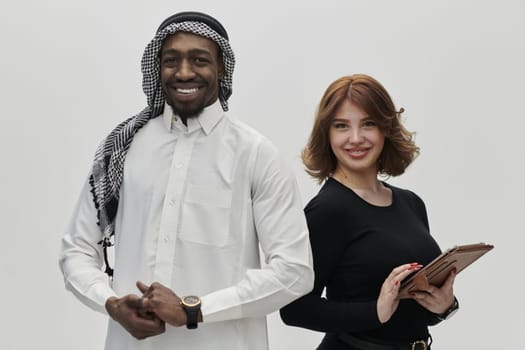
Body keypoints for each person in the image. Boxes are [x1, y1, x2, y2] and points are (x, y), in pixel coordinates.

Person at [59, 11, 313, 350]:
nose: (183, 72)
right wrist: (110, 303)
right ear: (157, 66)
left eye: (199, 60)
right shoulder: (122, 149)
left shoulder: (255, 155)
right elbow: (76, 250)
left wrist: (194, 311)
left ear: (222, 67)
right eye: (171, 60)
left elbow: (295, 272)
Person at [279, 74, 459, 350]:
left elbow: (412, 313)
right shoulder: (327, 211)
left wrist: (444, 305)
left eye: (368, 124)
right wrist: (374, 310)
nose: (355, 138)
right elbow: (294, 309)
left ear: (385, 129)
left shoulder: (411, 203)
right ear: (326, 134)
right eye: (341, 126)